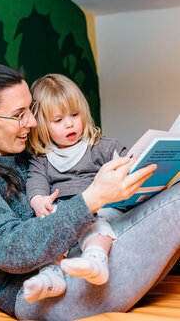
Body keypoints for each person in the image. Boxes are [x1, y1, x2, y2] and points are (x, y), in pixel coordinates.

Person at [0, 63, 180, 321]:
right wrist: (92, 198)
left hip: (90, 253)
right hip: (42, 292)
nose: (32, 123)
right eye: (20, 114)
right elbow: (12, 251)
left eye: (31, 110)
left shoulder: (27, 155)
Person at [23, 74, 127, 303]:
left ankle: (96, 259)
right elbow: (35, 183)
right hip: (63, 212)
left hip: (100, 208)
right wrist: (38, 201)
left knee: (93, 220)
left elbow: (127, 162)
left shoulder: (100, 147)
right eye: (58, 120)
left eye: (74, 115)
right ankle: (50, 277)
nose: (69, 123)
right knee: (44, 228)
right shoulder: (42, 159)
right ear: (42, 125)